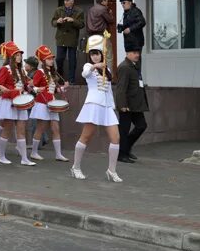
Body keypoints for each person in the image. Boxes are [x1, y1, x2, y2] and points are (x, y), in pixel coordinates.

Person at [70, 35, 123, 183]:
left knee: (115, 138)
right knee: (86, 136)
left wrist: (112, 106)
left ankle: (111, 171)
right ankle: (76, 167)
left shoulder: (106, 69)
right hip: (93, 105)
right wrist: (94, 66)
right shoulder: (88, 66)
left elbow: (109, 91)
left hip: (106, 107)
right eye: (92, 54)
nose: (95, 56)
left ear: (101, 54)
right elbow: (84, 74)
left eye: (97, 54)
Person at [0, 41, 35, 166]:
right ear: (11, 56)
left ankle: (24, 158)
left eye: (20, 55)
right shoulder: (5, 69)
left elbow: (26, 85)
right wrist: (2, 88)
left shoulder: (21, 70)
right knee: (7, 129)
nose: (19, 57)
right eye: (17, 54)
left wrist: (30, 86)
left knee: (21, 130)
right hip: (8, 101)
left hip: (20, 101)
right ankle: (1, 156)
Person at [29, 46, 69, 162]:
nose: (51, 60)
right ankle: (34, 152)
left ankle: (58, 154)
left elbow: (53, 90)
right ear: (43, 60)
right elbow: (32, 86)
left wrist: (63, 87)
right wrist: (37, 90)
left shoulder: (52, 73)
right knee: (40, 128)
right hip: (42, 103)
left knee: (55, 128)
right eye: (49, 59)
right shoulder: (40, 72)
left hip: (52, 102)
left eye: (52, 58)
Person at [115, 47, 148, 163]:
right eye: (134, 52)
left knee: (141, 126)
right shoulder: (124, 67)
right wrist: (122, 105)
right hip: (127, 105)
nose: (137, 54)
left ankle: (125, 148)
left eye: (138, 52)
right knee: (124, 130)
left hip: (136, 104)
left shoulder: (134, 65)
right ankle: (121, 154)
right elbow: (120, 88)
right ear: (127, 53)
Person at [52, 0, 85, 83]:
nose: (65, 2)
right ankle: (60, 79)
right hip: (61, 38)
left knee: (72, 60)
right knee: (59, 59)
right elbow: (53, 22)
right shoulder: (58, 10)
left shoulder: (79, 11)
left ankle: (71, 80)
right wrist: (57, 22)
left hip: (72, 38)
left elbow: (82, 24)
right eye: (64, 0)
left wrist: (73, 20)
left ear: (72, 1)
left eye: (67, 0)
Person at [87, 0, 115, 69]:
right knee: (108, 56)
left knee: (94, 56)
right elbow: (110, 20)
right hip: (102, 35)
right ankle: (109, 76)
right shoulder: (103, 9)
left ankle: (96, 75)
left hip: (92, 37)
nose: (107, 2)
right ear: (103, 1)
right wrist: (111, 14)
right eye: (106, 0)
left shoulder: (91, 9)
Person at [117, 0, 146, 67]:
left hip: (136, 41)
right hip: (129, 42)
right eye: (121, 3)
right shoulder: (126, 12)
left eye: (124, 3)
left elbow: (142, 22)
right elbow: (129, 24)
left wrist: (130, 29)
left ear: (130, 3)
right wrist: (121, 27)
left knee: (136, 61)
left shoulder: (136, 11)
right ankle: (132, 77)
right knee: (129, 62)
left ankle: (138, 77)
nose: (122, 5)